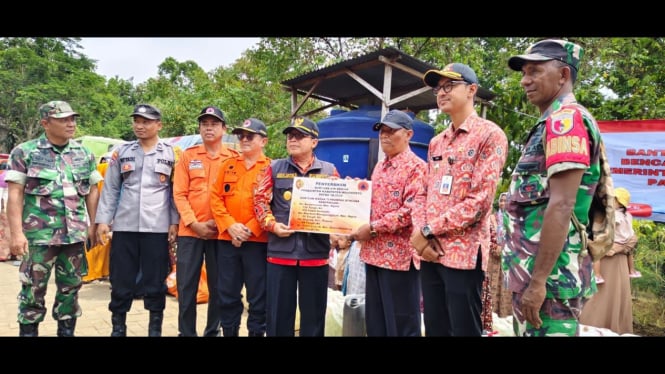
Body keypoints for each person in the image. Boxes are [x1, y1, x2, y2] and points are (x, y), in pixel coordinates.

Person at [504, 39, 600, 337]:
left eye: (534, 71)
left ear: (563, 75)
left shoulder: (565, 121)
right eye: (524, 72)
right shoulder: (549, 122)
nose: (525, 80)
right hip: (537, 276)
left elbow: (562, 204)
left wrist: (538, 283)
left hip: (551, 282)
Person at [411, 63, 508, 336]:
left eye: (449, 85)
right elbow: (422, 193)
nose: (441, 92)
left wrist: (429, 230)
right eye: (438, 88)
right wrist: (420, 232)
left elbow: (480, 202)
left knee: (464, 329)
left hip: (462, 256)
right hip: (430, 253)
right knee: (435, 328)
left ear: (472, 90)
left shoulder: (490, 135)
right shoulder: (436, 142)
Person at [6, 100, 102, 337]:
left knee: (70, 293)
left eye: (72, 119)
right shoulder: (25, 152)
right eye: (64, 120)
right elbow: (15, 193)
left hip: (74, 239)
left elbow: (92, 191)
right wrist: (16, 234)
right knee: (32, 293)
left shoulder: (84, 153)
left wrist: (94, 225)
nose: (71, 124)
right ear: (45, 123)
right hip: (39, 239)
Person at [95, 104, 179, 337]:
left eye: (146, 121)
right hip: (125, 226)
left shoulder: (171, 153)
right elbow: (111, 188)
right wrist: (103, 220)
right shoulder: (122, 152)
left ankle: (155, 328)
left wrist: (174, 221)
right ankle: (118, 327)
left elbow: (175, 191)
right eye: (136, 121)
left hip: (157, 227)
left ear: (158, 125)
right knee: (121, 279)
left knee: (155, 281)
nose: (140, 126)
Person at [253, 116, 339, 337]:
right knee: (278, 319)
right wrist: (272, 225)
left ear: (314, 142)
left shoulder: (330, 171)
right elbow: (259, 201)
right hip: (280, 255)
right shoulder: (273, 168)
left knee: (313, 319)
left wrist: (341, 231)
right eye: (290, 136)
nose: (293, 139)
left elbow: (340, 208)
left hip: (315, 255)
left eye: (300, 136)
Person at [350, 109, 426, 337]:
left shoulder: (417, 168)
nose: (384, 135)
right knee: (376, 322)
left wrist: (373, 228)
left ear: (409, 134)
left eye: (391, 131)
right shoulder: (380, 167)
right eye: (382, 131)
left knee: (401, 324)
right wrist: (356, 192)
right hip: (374, 254)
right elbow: (373, 203)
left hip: (399, 260)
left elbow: (410, 212)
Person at [172, 106, 239, 337]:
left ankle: (213, 331)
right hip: (190, 233)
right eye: (204, 124)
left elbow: (236, 197)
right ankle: (186, 332)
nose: (208, 128)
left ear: (224, 128)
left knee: (219, 287)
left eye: (214, 124)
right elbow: (179, 193)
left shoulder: (234, 158)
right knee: (186, 286)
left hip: (221, 234)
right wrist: (194, 224)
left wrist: (223, 224)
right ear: (200, 128)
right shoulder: (188, 156)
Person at [210, 117, 270, 337]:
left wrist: (248, 230)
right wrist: (230, 227)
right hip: (227, 241)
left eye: (250, 136)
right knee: (226, 294)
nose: (244, 140)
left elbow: (272, 203)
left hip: (257, 243)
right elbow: (216, 199)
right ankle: (229, 332)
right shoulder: (228, 165)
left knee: (258, 295)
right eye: (241, 136)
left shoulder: (272, 168)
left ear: (263, 141)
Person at [579, 187, 637, 334]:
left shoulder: (624, 217)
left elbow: (632, 239)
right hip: (602, 261)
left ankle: (615, 329)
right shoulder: (599, 215)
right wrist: (607, 248)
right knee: (598, 298)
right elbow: (592, 240)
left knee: (617, 296)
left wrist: (619, 248)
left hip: (619, 262)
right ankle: (591, 329)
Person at [490, 192, 512, 318]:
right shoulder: (492, 218)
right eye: (501, 200)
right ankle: (489, 319)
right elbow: (486, 234)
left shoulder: (513, 220)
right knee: (490, 287)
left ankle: (504, 317)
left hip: (507, 258)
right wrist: (495, 247)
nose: (503, 203)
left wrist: (503, 248)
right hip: (492, 259)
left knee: (505, 287)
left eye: (506, 200)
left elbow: (515, 238)